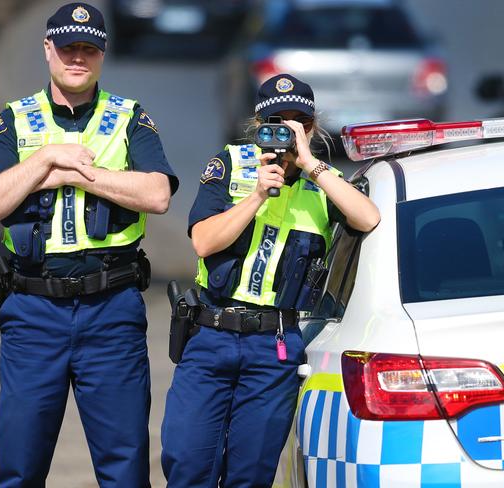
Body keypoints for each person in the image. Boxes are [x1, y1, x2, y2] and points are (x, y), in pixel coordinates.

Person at [0, 3, 178, 486]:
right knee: (20, 467)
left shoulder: (130, 118)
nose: (77, 58)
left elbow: (157, 195)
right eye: (68, 48)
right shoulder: (15, 120)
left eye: (88, 49)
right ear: (47, 50)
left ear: (102, 55)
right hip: (32, 312)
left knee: (125, 469)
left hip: (111, 309)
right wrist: (45, 159)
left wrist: (81, 173)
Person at [161, 74, 380, 487]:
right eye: (277, 122)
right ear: (257, 126)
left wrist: (310, 162)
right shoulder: (230, 164)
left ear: (313, 128)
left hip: (272, 347)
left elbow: (368, 217)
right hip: (210, 334)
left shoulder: (322, 184)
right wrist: (258, 194)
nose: (288, 130)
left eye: (301, 122)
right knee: (187, 462)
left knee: (252, 474)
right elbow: (204, 241)